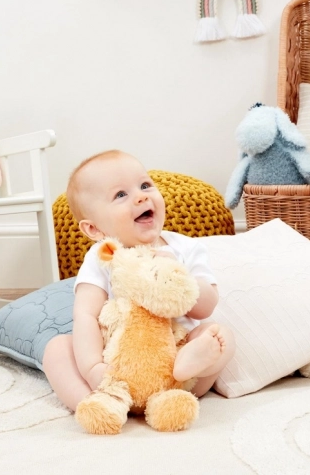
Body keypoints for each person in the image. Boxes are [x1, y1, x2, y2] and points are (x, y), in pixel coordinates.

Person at [43, 150, 235, 411]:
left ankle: (186, 369)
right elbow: (85, 314)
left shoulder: (186, 249)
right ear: (94, 229)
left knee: (219, 336)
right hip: (117, 369)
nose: (142, 196)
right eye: (120, 195)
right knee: (57, 349)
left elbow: (207, 306)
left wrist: (177, 274)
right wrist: (93, 368)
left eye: (145, 185)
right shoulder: (103, 256)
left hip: (175, 361)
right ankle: (94, 403)